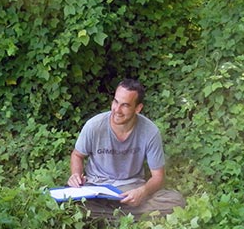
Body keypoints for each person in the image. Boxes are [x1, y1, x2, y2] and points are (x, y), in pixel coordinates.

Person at [67, 78, 186, 220]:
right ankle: (125, 216)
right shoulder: (94, 125)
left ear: (138, 108)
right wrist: (75, 175)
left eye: (125, 105)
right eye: (115, 102)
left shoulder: (150, 131)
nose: (117, 110)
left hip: (131, 189)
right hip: (97, 188)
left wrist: (143, 192)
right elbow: (77, 155)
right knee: (72, 202)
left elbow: (158, 177)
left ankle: (104, 216)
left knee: (176, 201)